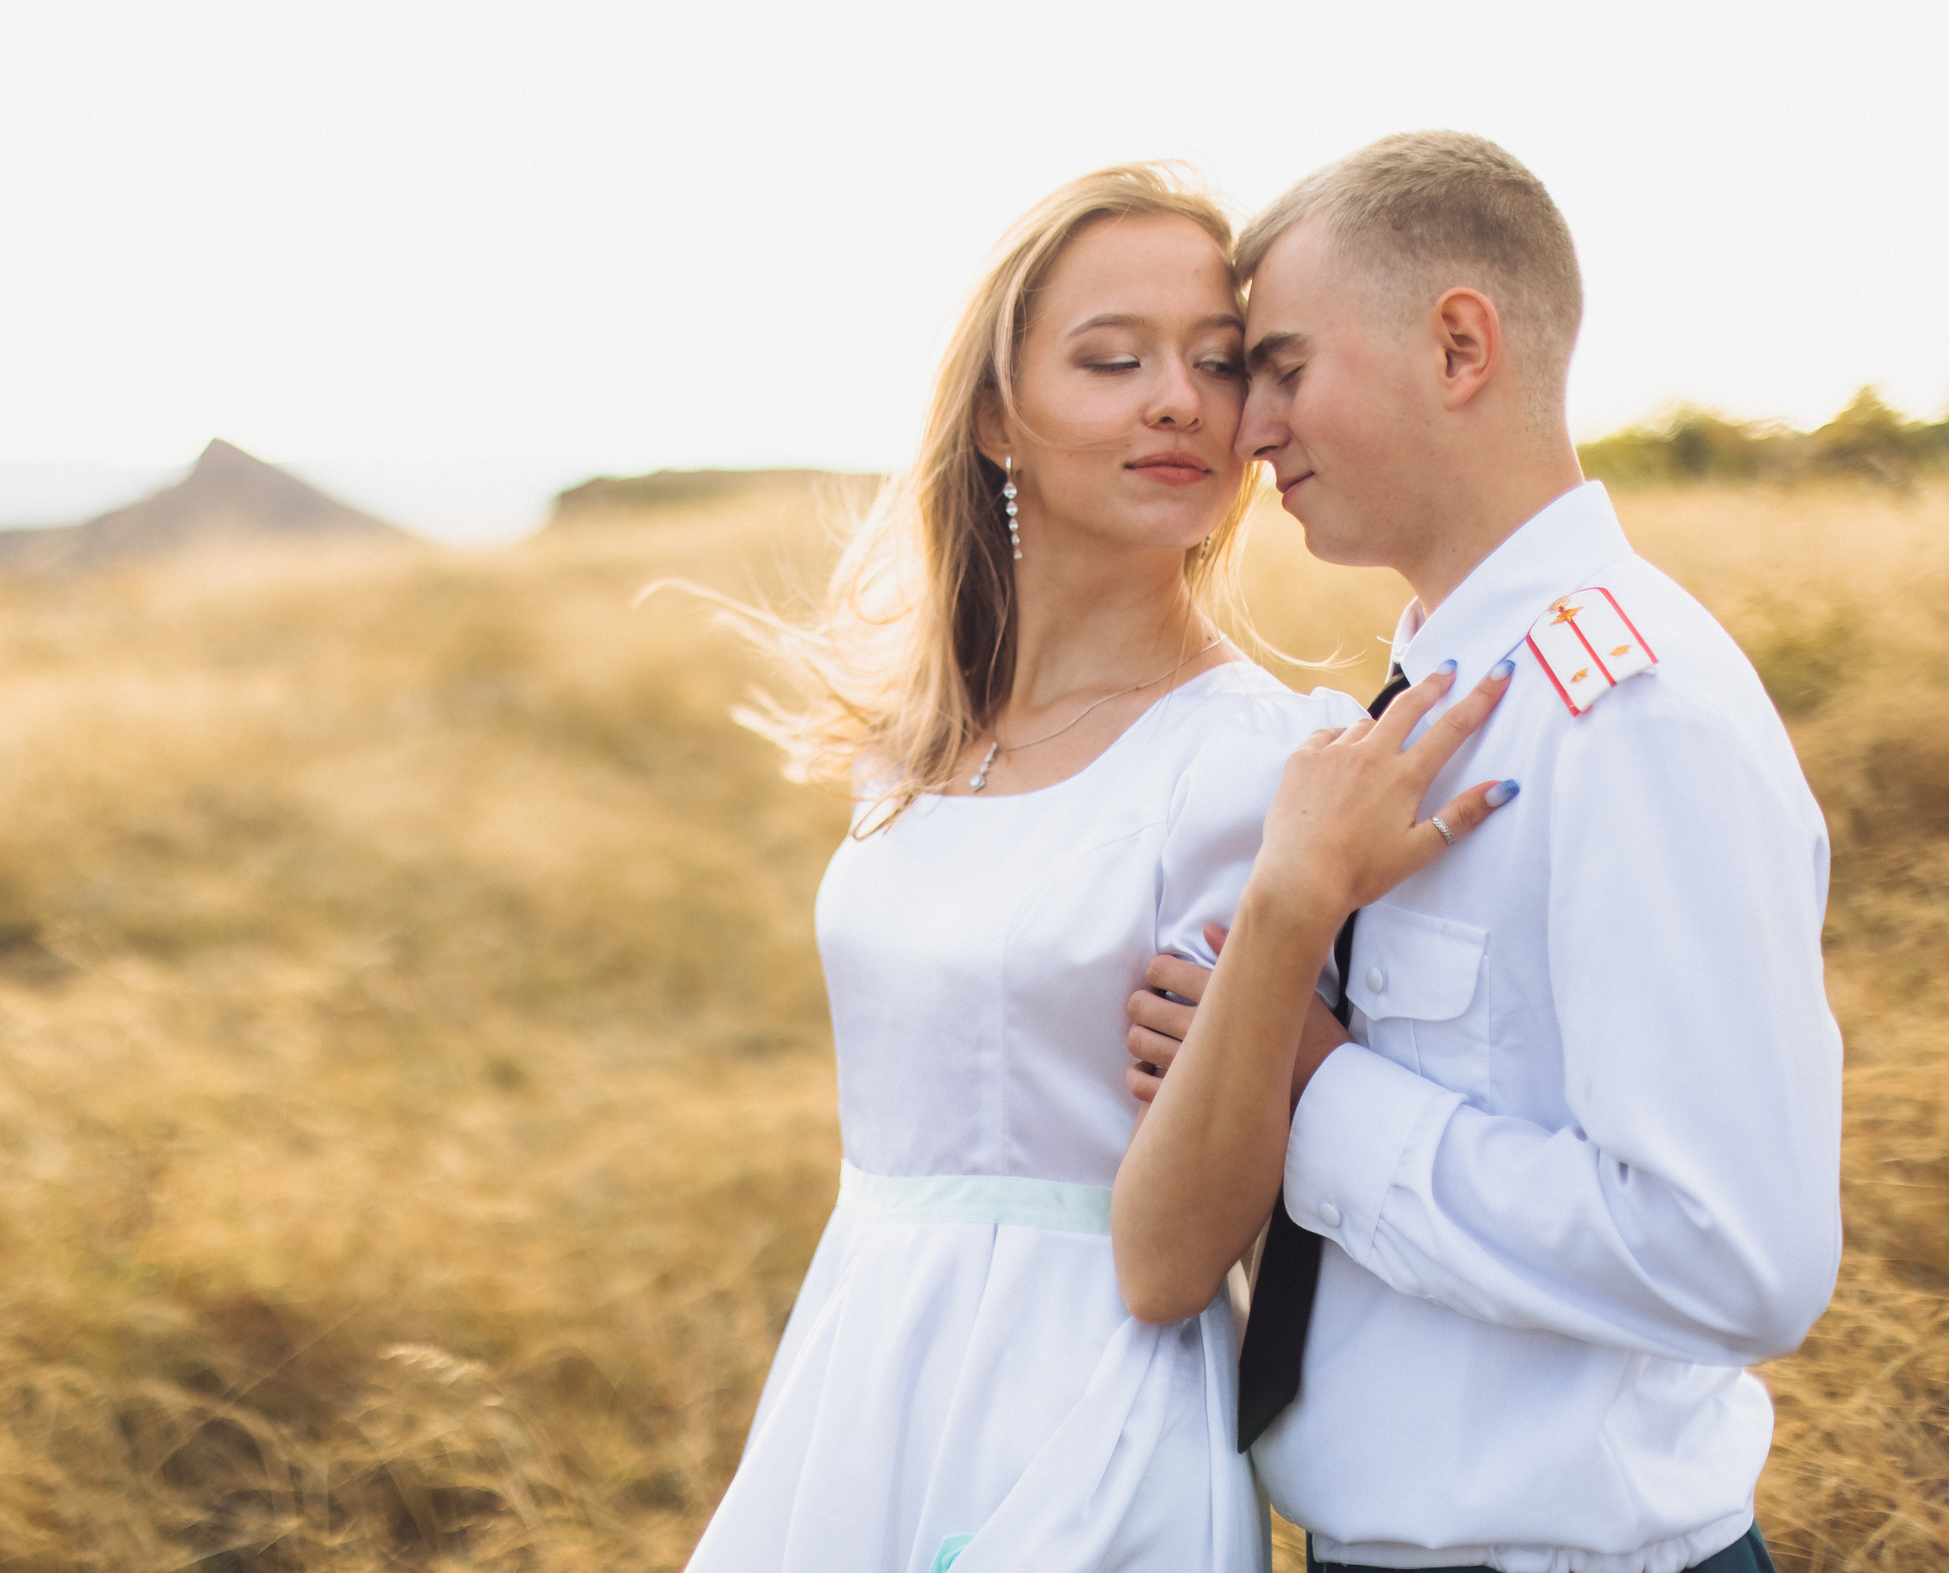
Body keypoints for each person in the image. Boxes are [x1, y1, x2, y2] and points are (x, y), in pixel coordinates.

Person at [683, 164, 1496, 1573]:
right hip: (863, 1363)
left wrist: (1292, 914)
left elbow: (1180, 1260)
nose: (1178, 398)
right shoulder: (922, 739)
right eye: (1114, 359)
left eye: (1219, 362)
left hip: (1081, 1413)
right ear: (998, 414)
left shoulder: (1259, 763)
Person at [1122, 132, 1844, 1573]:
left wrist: (1313, 1092)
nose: (1250, 430)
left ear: (1460, 345)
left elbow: (1736, 1257)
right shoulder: (1447, 691)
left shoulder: (1631, 716)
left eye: (1281, 364)